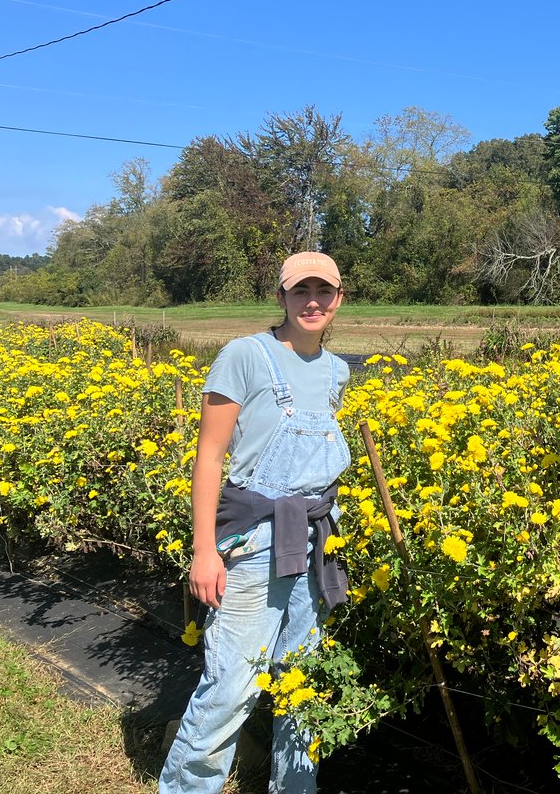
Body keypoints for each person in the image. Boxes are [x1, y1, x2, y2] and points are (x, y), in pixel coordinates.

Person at [160, 252, 352, 794]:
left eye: (324, 291)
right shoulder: (245, 355)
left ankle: (295, 787)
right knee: (231, 686)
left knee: (302, 682)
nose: (312, 301)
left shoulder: (337, 371)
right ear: (282, 298)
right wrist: (205, 551)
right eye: (300, 291)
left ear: (338, 299)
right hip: (257, 540)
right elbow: (210, 457)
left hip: (315, 537)